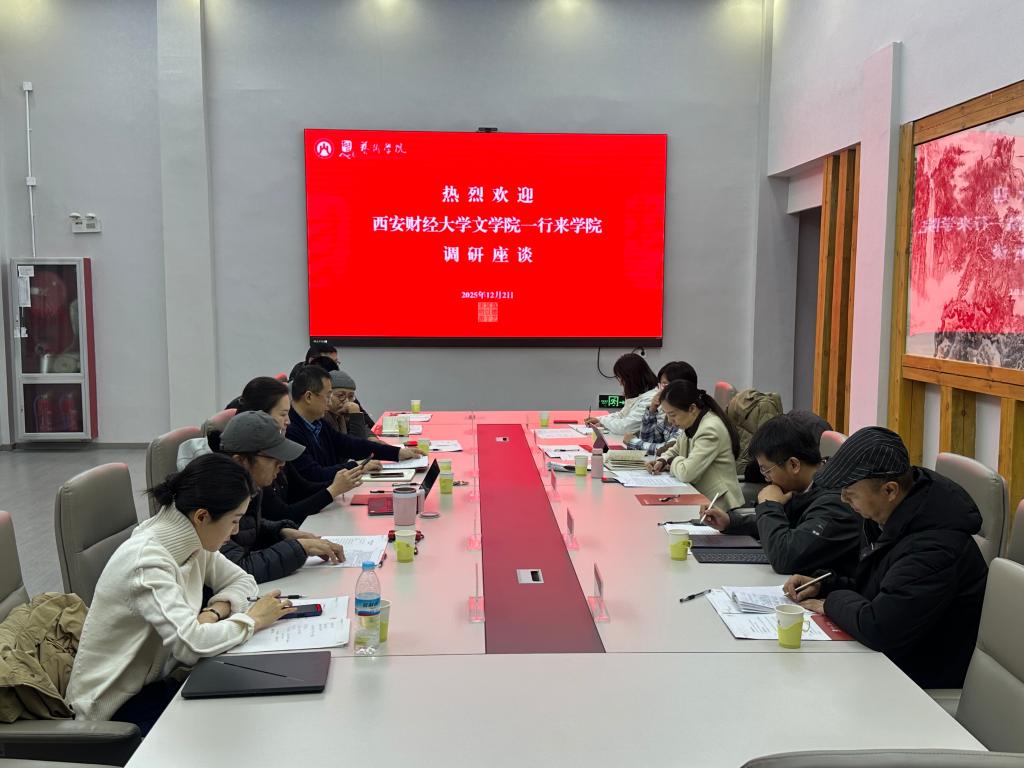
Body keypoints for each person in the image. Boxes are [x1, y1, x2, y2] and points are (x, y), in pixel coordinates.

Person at [65, 454, 297, 733]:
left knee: (249, 710)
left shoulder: (194, 539)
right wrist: (254, 620)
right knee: (234, 727)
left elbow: (243, 581)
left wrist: (214, 612)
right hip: (115, 712)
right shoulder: (147, 562)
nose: (235, 531)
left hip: (158, 684)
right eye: (234, 520)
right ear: (202, 516)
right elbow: (191, 645)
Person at [783, 426, 988, 689]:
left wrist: (830, 602)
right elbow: (879, 589)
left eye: (850, 492)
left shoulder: (935, 548)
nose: (843, 499)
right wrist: (824, 585)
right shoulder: (889, 516)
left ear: (890, 490)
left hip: (919, 684)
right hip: (890, 664)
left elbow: (879, 627)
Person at [700, 413, 861, 575]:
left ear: (793, 465)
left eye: (766, 470)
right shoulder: (807, 487)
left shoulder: (836, 503)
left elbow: (785, 558)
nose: (766, 478)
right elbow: (787, 522)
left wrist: (769, 506)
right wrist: (730, 522)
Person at [216, 410, 347, 582]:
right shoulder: (213, 498)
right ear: (240, 461)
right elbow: (236, 569)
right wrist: (299, 548)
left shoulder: (246, 486)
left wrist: (282, 532)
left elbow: (249, 528)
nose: (282, 464)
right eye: (274, 458)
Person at [286, 365, 419, 483]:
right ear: (309, 397)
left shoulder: (317, 423)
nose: (329, 402)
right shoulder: (290, 431)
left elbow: (351, 445)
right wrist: (358, 466)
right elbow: (315, 475)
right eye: (327, 396)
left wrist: (397, 453)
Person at [645, 380, 743, 510]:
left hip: (719, 504)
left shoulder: (710, 429)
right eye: (667, 414)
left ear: (692, 408)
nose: (669, 420)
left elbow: (687, 473)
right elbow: (676, 449)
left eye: (672, 414)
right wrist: (662, 460)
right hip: (698, 495)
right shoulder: (692, 422)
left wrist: (672, 461)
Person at [623, 361, 697, 455]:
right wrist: (652, 410)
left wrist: (633, 442)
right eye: (662, 385)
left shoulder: (687, 413)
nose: (662, 391)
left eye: (667, 386)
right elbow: (649, 440)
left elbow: (667, 449)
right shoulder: (669, 413)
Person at [583, 353, 659, 435]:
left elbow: (625, 427)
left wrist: (603, 422)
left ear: (632, 379)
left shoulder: (651, 398)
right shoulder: (640, 394)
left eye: (622, 379)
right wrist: (599, 420)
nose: (621, 383)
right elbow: (622, 415)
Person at [324, 370, 379, 442]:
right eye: (341, 395)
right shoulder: (322, 418)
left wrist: (371, 437)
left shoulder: (341, 414)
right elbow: (357, 445)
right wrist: (355, 415)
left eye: (350, 396)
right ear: (327, 395)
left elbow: (363, 428)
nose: (347, 401)